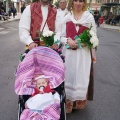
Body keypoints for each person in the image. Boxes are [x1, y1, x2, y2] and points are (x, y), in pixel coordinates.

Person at [60, 0, 97, 113]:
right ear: (72, 2)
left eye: (81, 1)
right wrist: (67, 40)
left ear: (84, 3)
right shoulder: (67, 17)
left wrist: (87, 43)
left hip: (82, 55)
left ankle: (77, 103)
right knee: (69, 75)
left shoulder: (89, 17)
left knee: (80, 76)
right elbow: (60, 36)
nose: (78, 3)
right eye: (76, 0)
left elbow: (94, 36)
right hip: (69, 55)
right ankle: (68, 104)